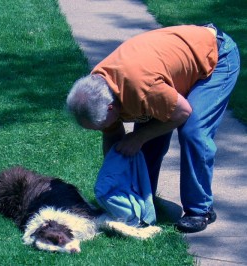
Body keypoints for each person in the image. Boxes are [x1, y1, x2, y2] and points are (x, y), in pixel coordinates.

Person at [66, 24, 240, 233]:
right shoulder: (98, 87)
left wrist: (139, 137)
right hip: (172, 68)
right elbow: (113, 134)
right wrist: (114, 178)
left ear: (111, 108)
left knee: (193, 132)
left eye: (101, 125)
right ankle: (142, 200)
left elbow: (182, 112)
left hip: (215, 57)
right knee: (147, 139)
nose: (103, 129)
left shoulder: (142, 88)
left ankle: (200, 209)